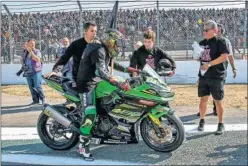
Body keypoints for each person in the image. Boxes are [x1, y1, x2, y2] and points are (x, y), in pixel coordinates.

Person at [75, 29, 140, 160]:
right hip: (87, 84)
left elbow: (112, 63)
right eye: (116, 42)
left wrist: (128, 69)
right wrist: (117, 83)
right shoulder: (99, 50)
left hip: (96, 81)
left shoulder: (105, 50)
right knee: (90, 114)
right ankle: (82, 146)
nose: (118, 46)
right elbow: (101, 71)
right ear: (109, 41)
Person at [196, 23, 237, 116]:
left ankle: (216, 108)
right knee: (204, 96)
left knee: (217, 94)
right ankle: (203, 111)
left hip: (219, 72)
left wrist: (234, 69)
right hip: (207, 73)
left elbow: (230, 57)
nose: (216, 31)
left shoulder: (225, 42)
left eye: (218, 30)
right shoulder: (206, 42)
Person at [197, 20, 229, 135]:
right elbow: (200, 59)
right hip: (204, 76)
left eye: (206, 30)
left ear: (214, 30)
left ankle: (221, 124)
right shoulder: (201, 43)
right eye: (203, 29)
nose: (204, 32)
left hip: (216, 76)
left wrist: (209, 64)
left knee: (218, 101)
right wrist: (196, 56)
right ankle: (202, 120)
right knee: (203, 99)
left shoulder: (221, 41)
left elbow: (224, 57)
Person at [23, 39, 46, 105]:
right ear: (28, 44)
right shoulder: (25, 52)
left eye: (33, 44)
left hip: (36, 71)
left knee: (37, 86)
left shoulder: (37, 51)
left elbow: (37, 59)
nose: (33, 45)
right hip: (28, 72)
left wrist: (31, 52)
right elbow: (23, 60)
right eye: (31, 43)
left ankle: (43, 99)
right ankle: (35, 100)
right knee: (31, 87)